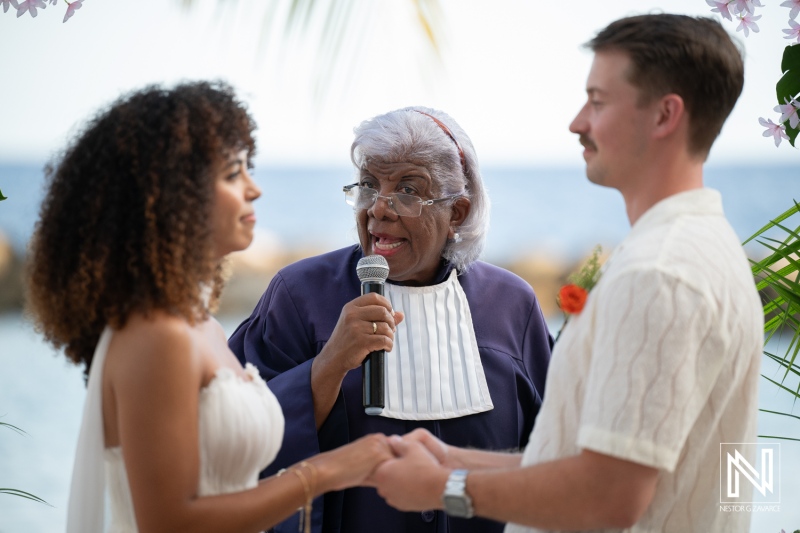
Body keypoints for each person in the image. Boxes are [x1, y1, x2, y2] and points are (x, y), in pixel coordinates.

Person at [372, 14, 763, 533]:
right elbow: (606, 467)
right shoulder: (707, 246)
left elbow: (609, 496)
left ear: (665, 115)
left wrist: (443, 488)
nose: (578, 122)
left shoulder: (659, 274)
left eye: (597, 101)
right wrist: (452, 460)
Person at [25, 81, 391, 533]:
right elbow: (170, 521)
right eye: (233, 174)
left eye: (248, 170)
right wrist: (326, 472)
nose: (254, 190)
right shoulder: (156, 335)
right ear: (170, 193)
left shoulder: (203, 327)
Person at [229, 106, 552, 533]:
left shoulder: (511, 304)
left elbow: (553, 450)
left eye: (407, 190)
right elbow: (235, 439)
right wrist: (329, 364)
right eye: (368, 186)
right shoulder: (298, 293)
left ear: (456, 213)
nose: (378, 210)